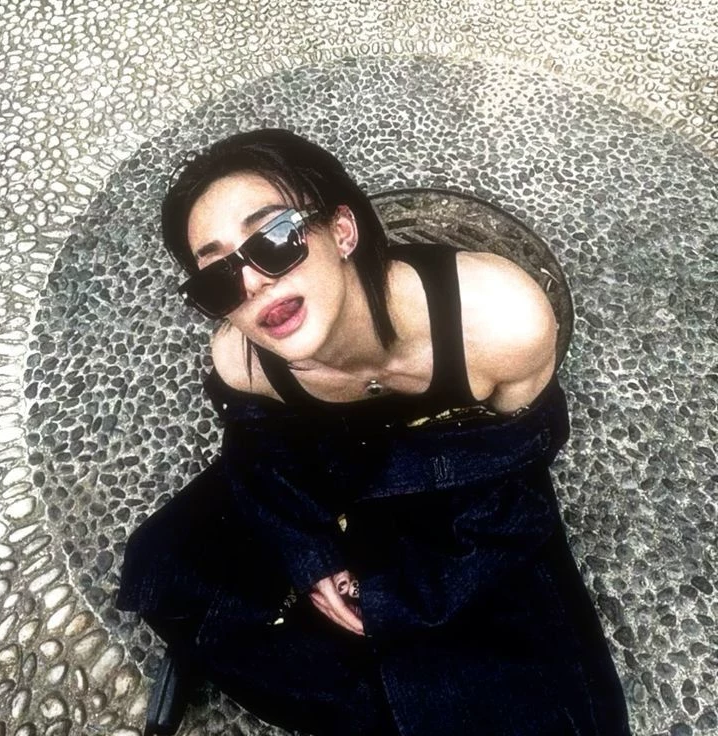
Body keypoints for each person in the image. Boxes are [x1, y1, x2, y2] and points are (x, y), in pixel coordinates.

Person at [117, 128, 632, 736]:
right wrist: (311, 556)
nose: (252, 283)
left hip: (462, 486)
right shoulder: (243, 361)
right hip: (334, 464)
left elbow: (513, 492)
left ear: (342, 230)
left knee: (535, 704)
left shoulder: (501, 323)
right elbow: (262, 459)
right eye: (218, 278)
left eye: (274, 240)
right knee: (165, 570)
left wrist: (397, 598)